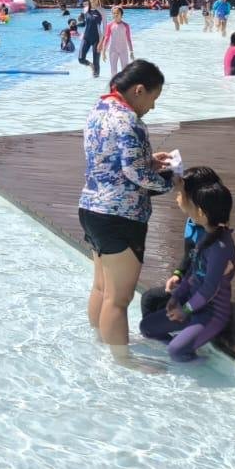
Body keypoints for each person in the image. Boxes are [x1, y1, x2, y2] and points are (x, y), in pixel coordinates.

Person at [80, 60, 174, 349]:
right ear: (139, 90)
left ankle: (100, 341)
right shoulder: (129, 120)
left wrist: (147, 160)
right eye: (153, 98)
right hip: (121, 215)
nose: (152, 107)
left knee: (101, 287)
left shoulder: (99, 110)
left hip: (92, 208)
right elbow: (136, 173)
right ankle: (122, 360)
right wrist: (171, 182)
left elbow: (112, 159)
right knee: (119, 299)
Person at [138, 171, 235, 362]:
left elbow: (209, 289)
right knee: (147, 328)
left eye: (190, 201)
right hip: (191, 306)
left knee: (176, 351)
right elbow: (192, 273)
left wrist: (185, 310)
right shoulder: (206, 236)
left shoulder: (220, 248)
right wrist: (177, 297)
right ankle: (188, 342)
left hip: (212, 314)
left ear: (200, 212)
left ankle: (199, 359)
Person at [139, 165, 224, 318]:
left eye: (179, 193)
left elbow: (212, 278)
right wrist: (177, 275)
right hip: (192, 283)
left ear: (194, 199)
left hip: (204, 291)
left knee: (149, 299)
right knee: (158, 303)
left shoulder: (213, 233)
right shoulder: (193, 221)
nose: (176, 197)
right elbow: (188, 256)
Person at [101, 5, 135, 74]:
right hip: (113, 50)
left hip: (123, 50)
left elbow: (128, 39)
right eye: (114, 13)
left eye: (117, 13)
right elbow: (107, 38)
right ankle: (114, 84)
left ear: (121, 14)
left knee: (125, 70)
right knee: (113, 71)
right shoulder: (110, 25)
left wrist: (131, 51)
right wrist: (104, 51)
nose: (115, 14)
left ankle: (125, 84)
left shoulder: (126, 25)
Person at [77, 0, 104, 77]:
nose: (93, 0)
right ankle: (90, 65)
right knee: (81, 59)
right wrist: (80, 17)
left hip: (97, 38)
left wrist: (101, 42)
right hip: (86, 37)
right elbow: (81, 20)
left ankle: (96, 81)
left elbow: (103, 28)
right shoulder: (85, 9)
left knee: (96, 62)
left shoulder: (101, 11)